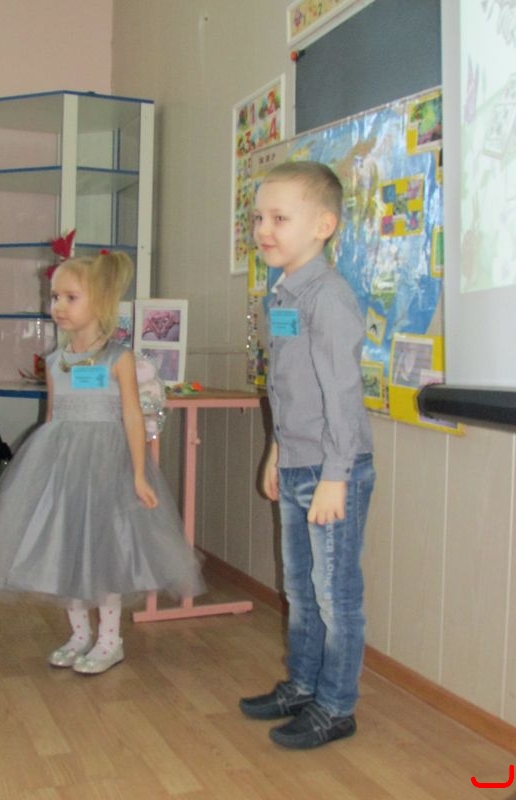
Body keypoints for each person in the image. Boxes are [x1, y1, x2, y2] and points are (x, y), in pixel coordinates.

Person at [0, 251, 204, 674]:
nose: (58, 306)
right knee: (66, 551)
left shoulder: (119, 359)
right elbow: (52, 418)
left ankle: (110, 639)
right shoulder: (55, 362)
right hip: (63, 469)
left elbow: (132, 416)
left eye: (70, 297)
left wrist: (138, 473)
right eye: (54, 296)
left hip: (108, 470)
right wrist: (40, 475)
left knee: (104, 555)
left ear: (100, 302)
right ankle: (80, 634)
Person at [239, 162, 375, 748]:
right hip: (297, 460)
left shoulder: (330, 297)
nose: (263, 230)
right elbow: (290, 388)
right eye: (258, 218)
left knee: (334, 594)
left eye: (279, 218)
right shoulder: (284, 295)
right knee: (299, 587)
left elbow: (342, 394)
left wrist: (335, 476)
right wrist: (276, 450)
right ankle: (303, 685)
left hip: (331, 469)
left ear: (323, 225)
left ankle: (336, 706)